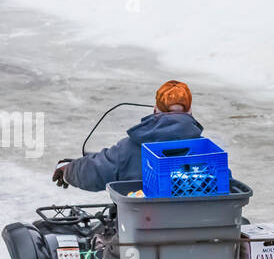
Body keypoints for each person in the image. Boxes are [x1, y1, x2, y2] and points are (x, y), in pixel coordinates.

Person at [52, 80, 203, 191]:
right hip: (199, 229)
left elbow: (96, 171)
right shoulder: (207, 150)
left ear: (156, 110)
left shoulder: (130, 149)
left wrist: (68, 170)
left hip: (143, 228)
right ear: (189, 112)